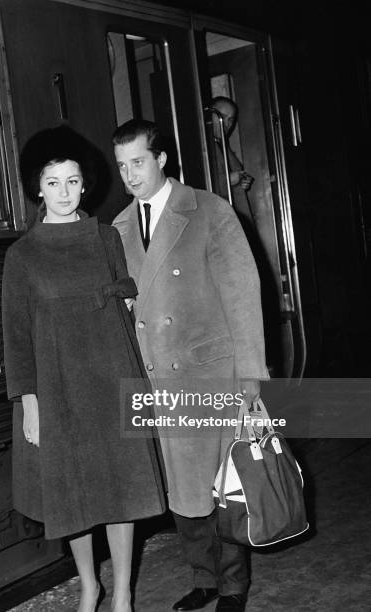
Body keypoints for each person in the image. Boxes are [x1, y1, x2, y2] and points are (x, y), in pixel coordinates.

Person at [3, 126, 165, 612]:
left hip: (112, 375)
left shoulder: (106, 237)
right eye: (53, 183)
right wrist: (29, 402)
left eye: (72, 182)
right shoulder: (22, 254)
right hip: (58, 388)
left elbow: (127, 306)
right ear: (38, 187)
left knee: (123, 486)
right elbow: (16, 334)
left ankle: (121, 593)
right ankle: (89, 585)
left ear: (85, 185)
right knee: (70, 494)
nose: (64, 193)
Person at [112, 119, 268, 612]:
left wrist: (250, 379)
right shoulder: (117, 228)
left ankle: (232, 588)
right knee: (183, 490)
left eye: (138, 162)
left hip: (208, 372)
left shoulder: (208, 211)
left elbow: (243, 297)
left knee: (224, 484)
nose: (130, 175)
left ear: (161, 159)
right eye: (122, 166)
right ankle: (203, 579)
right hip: (157, 378)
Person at [209, 97, 253, 219]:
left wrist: (241, 182)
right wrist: (228, 180)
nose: (226, 124)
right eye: (221, 117)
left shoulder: (222, 145)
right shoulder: (203, 146)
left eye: (230, 120)